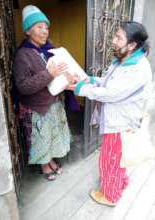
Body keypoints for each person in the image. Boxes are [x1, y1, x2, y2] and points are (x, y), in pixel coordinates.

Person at [69, 21, 152, 206]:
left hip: (120, 124)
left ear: (131, 45)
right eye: (115, 35)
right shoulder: (125, 59)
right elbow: (109, 82)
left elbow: (111, 93)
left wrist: (81, 88)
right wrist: (90, 79)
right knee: (118, 159)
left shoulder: (137, 68)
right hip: (120, 121)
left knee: (110, 161)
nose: (113, 40)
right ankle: (120, 183)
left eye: (118, 38)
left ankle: (109, 196)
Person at [13, 5, 75, 181]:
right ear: (27, 30)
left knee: (53, 135)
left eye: (46, 27)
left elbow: (59, 72)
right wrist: (49, 74)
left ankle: (51, 160)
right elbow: (23, 86)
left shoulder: (49, 49)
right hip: (37, 107)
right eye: (39, 27)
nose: (44, 31)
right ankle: (44, 165)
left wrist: (68, 78)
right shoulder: (22, 55)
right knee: (41, 138)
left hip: (54, 102)